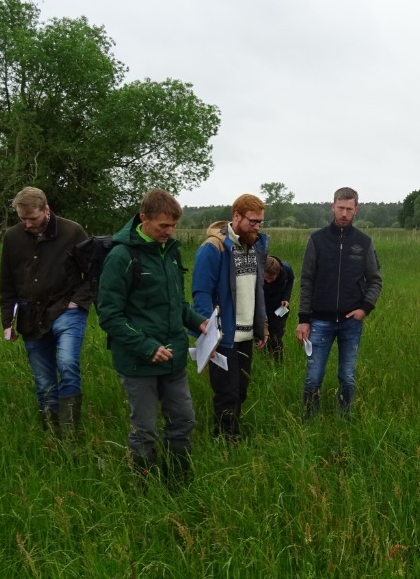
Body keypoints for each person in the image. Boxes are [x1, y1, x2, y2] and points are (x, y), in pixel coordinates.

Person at [98, 189, 208, 483]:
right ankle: (144, 488)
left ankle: (179, 482)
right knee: (145, 429)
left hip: (174, 359)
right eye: (163, 226)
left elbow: (177, 303)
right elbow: (109, 315)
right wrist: (147, 347)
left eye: (173, 226)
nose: (169, 232)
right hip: (138, 363)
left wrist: (200, 323)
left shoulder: (170, 251)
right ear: (143, 219)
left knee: (184, 420)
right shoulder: (121, 256)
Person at [0, 187, 92, 437]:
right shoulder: (12, 237)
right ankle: (53, 436)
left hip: (67, 309)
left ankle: (71, 434)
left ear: (46, 210)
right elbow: (7, 283)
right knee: (43, 381)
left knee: (67, 363)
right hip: (30, 316)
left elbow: (93, 272)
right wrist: (8, 321)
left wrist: (78, 302)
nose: (28, 224)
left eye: (33, 218)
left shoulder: (73, 231)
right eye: (22, 219)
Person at [295, 187, 383, 418]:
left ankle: (345, 420)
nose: (344, 213)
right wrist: (303, 319)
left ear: (356, 210)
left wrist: (365, 309)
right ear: (332, 206)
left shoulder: (364, 242)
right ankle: (309, 421)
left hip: (350, 322)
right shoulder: (317, 240)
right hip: (319, 321)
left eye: (349, 209)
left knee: (347, 376)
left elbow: (375, 280)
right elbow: (306, 280)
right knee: (313, 377)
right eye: (340, 208)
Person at [192, 194, 269, 442]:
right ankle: (226, 441)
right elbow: (201, 293)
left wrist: (263, 324)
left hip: (247, 334)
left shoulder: (256, 245)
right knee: (227, 392)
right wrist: (209, 336)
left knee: (242, 390)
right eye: (253, 221)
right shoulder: (212, 249)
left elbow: (257, 290)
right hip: (223, 337)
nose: (257, 227)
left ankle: (232, 434)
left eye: (260, 223)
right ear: (236, 216)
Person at [263, 255, 295, 361]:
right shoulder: (257, 273)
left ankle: (278, 362)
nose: (268, 281)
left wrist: (286, 298)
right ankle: (266, 359)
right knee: (262, 336)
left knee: (276, 336)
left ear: (278, 273)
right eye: (265, 278)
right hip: (263, 309)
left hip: (280, 309)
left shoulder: (286, 269)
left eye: (271, 278)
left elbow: (291, 280)